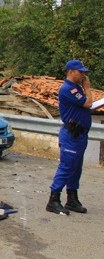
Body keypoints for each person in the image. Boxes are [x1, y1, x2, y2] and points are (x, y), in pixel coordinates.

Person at [46, 59, 93, 215]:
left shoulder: (76, 88)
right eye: (81, 72)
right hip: (71, 135)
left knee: (76, 168)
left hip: (80, 135)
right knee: (67, 167)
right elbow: (88, 103)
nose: (83, 76)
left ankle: (72, 199)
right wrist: (87, 88)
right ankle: (53, 200)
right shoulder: (68, 89)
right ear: (71, 72)